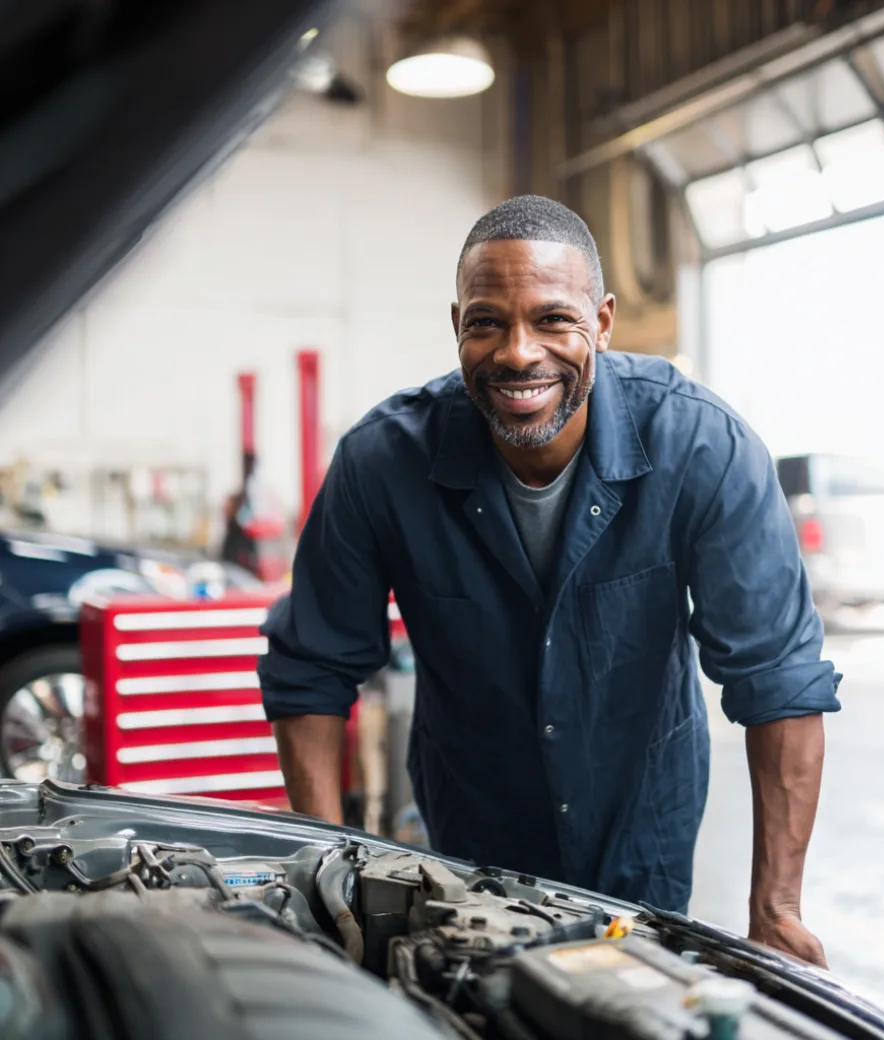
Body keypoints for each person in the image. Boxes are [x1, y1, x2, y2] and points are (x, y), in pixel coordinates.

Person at [258, 195, 841, 966]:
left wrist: (775, 909)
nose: (518, 352)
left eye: (552, 319)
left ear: (601, 322)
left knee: (624, 998)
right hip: (471, 825)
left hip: (643, 817)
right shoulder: (383, 462)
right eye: (487, 321)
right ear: (457, 325)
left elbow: (780, 684)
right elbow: (312, 672)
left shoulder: (703, 447)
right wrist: (324, 874)